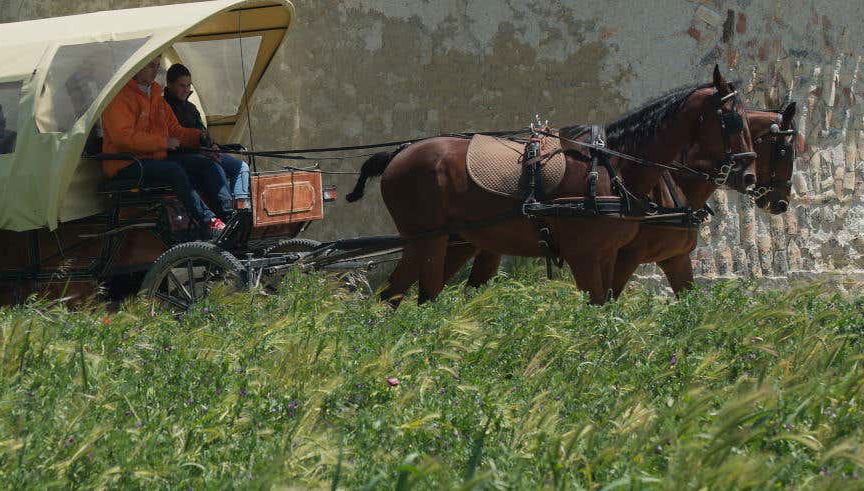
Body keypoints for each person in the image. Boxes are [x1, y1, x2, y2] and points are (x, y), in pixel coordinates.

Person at [101, 55, 234, 237]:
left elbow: (175, 131)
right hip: (125, 164)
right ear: (135, 68)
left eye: (157, 66)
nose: (155, 70)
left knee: (205, 162)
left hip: (153, 158)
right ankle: (208, 222)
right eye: (150, 66)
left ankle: (229, 217)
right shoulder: (118, 96)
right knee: (174, 170)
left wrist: (201, 137)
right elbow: (122, 137)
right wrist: (162, 142)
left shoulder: (155, 95)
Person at [163, 63, 250, 208]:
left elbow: (203, 132)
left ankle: (241, 209)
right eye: (182, 86)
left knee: (241, 167)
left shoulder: (191, 108)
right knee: (215, 166)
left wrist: (213, 146)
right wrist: (204, 151)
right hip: (181, 155)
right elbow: (173, 140)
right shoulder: (162, 106)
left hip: (204, 152)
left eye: (189, 86)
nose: (186, 90)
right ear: (169, 84)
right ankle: (227, 211)